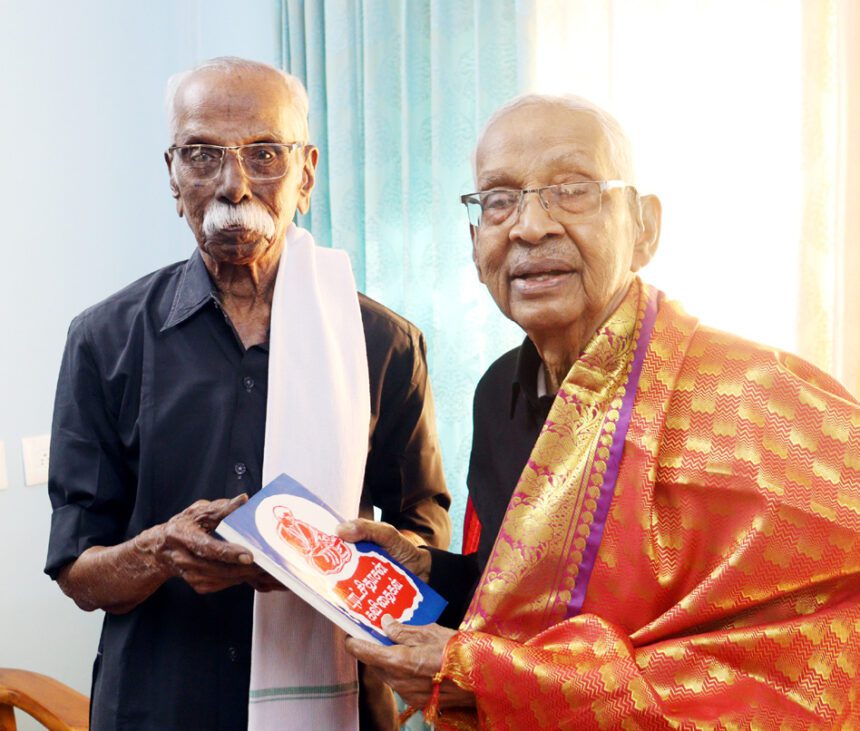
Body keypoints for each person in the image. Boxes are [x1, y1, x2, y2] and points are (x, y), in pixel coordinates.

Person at [342, 94, 860, 729]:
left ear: (644, 228)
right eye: (500, 199)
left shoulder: (757, 402)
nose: (530, 226)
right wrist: (425, 568)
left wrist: (484, 675)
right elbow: (509, 603)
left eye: (572, 190)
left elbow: (798, 658)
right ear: (476, 245)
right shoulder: (497, 392)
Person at [44, 57, 450, 731]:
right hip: (158, 707)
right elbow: (76, 570)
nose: (234, 184)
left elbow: (423, 536)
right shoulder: (102, 339)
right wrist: (159, 551)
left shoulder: (384, 342)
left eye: (264, 153)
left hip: (341, 702)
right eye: (203, 154)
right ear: (173, 177)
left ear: (306, 174)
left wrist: (334, 564)